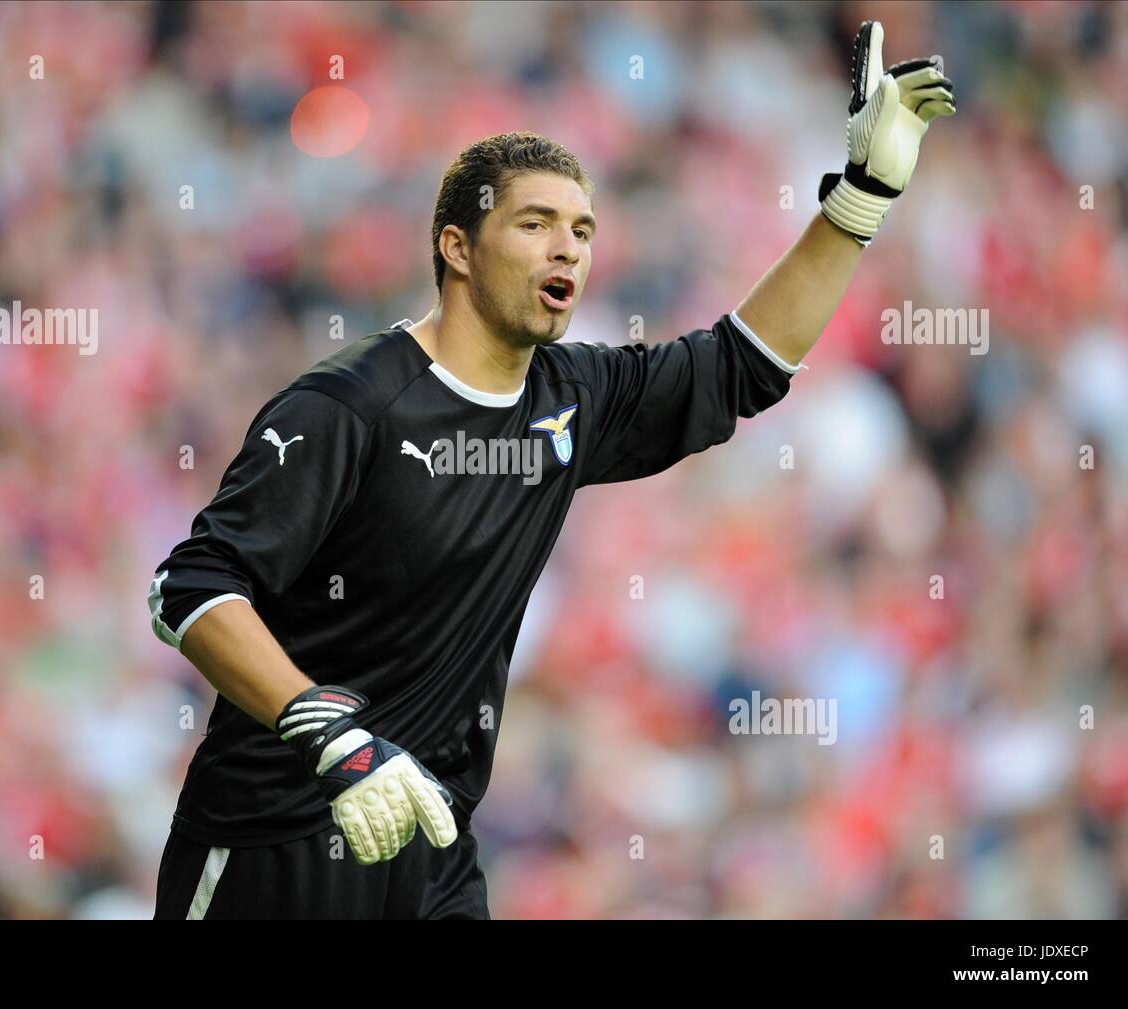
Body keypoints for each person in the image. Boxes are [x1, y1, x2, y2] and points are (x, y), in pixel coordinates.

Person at [148, 21, 955, 919]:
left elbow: (744, 366)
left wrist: (861, 199)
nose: (568, 247)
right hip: (277, 838)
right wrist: (333, 736)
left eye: (581, 229)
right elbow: (190, 587)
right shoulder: (349, 405)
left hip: (434, 844)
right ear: (456, 247)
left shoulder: (572, 393)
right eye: (535, 224)